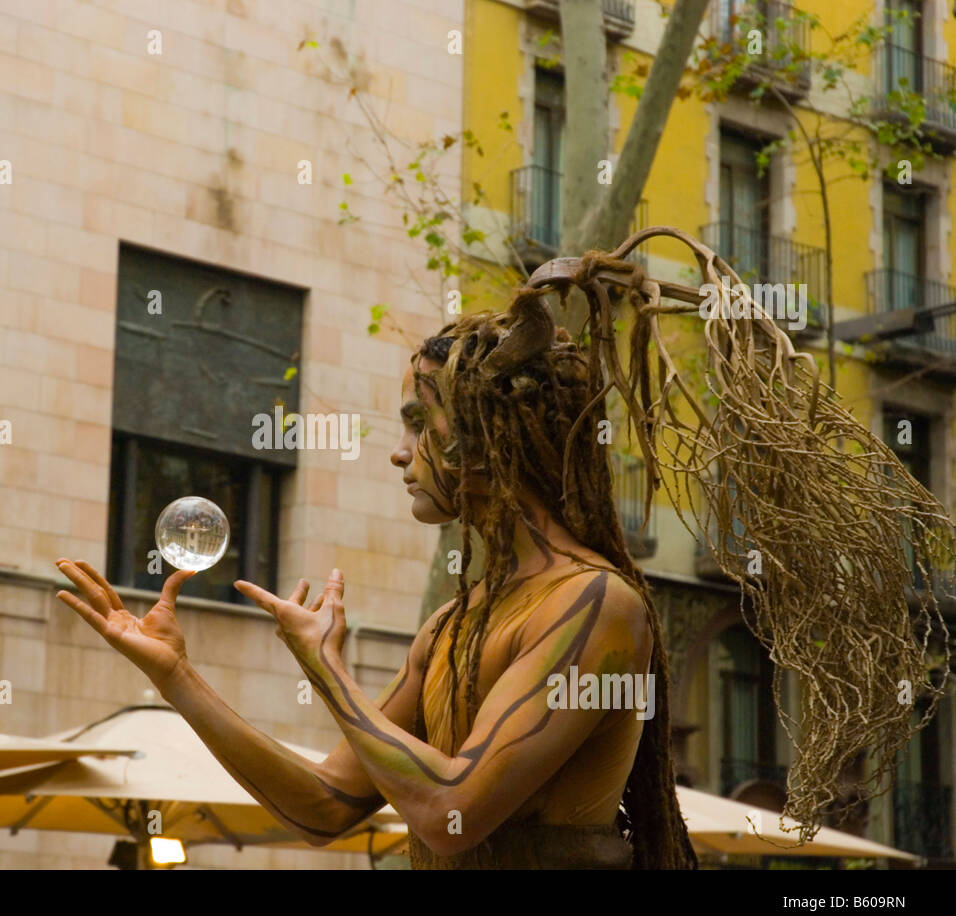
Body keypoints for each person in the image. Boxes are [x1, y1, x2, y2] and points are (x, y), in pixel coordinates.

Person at [57, 229, 954, 868]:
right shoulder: (453, 624)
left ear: (490, 432)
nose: (400, 452)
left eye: (419, 422)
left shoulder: (597, 608)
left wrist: (327, 672)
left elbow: (449, 816)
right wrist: (176, 676)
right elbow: (325, 808)